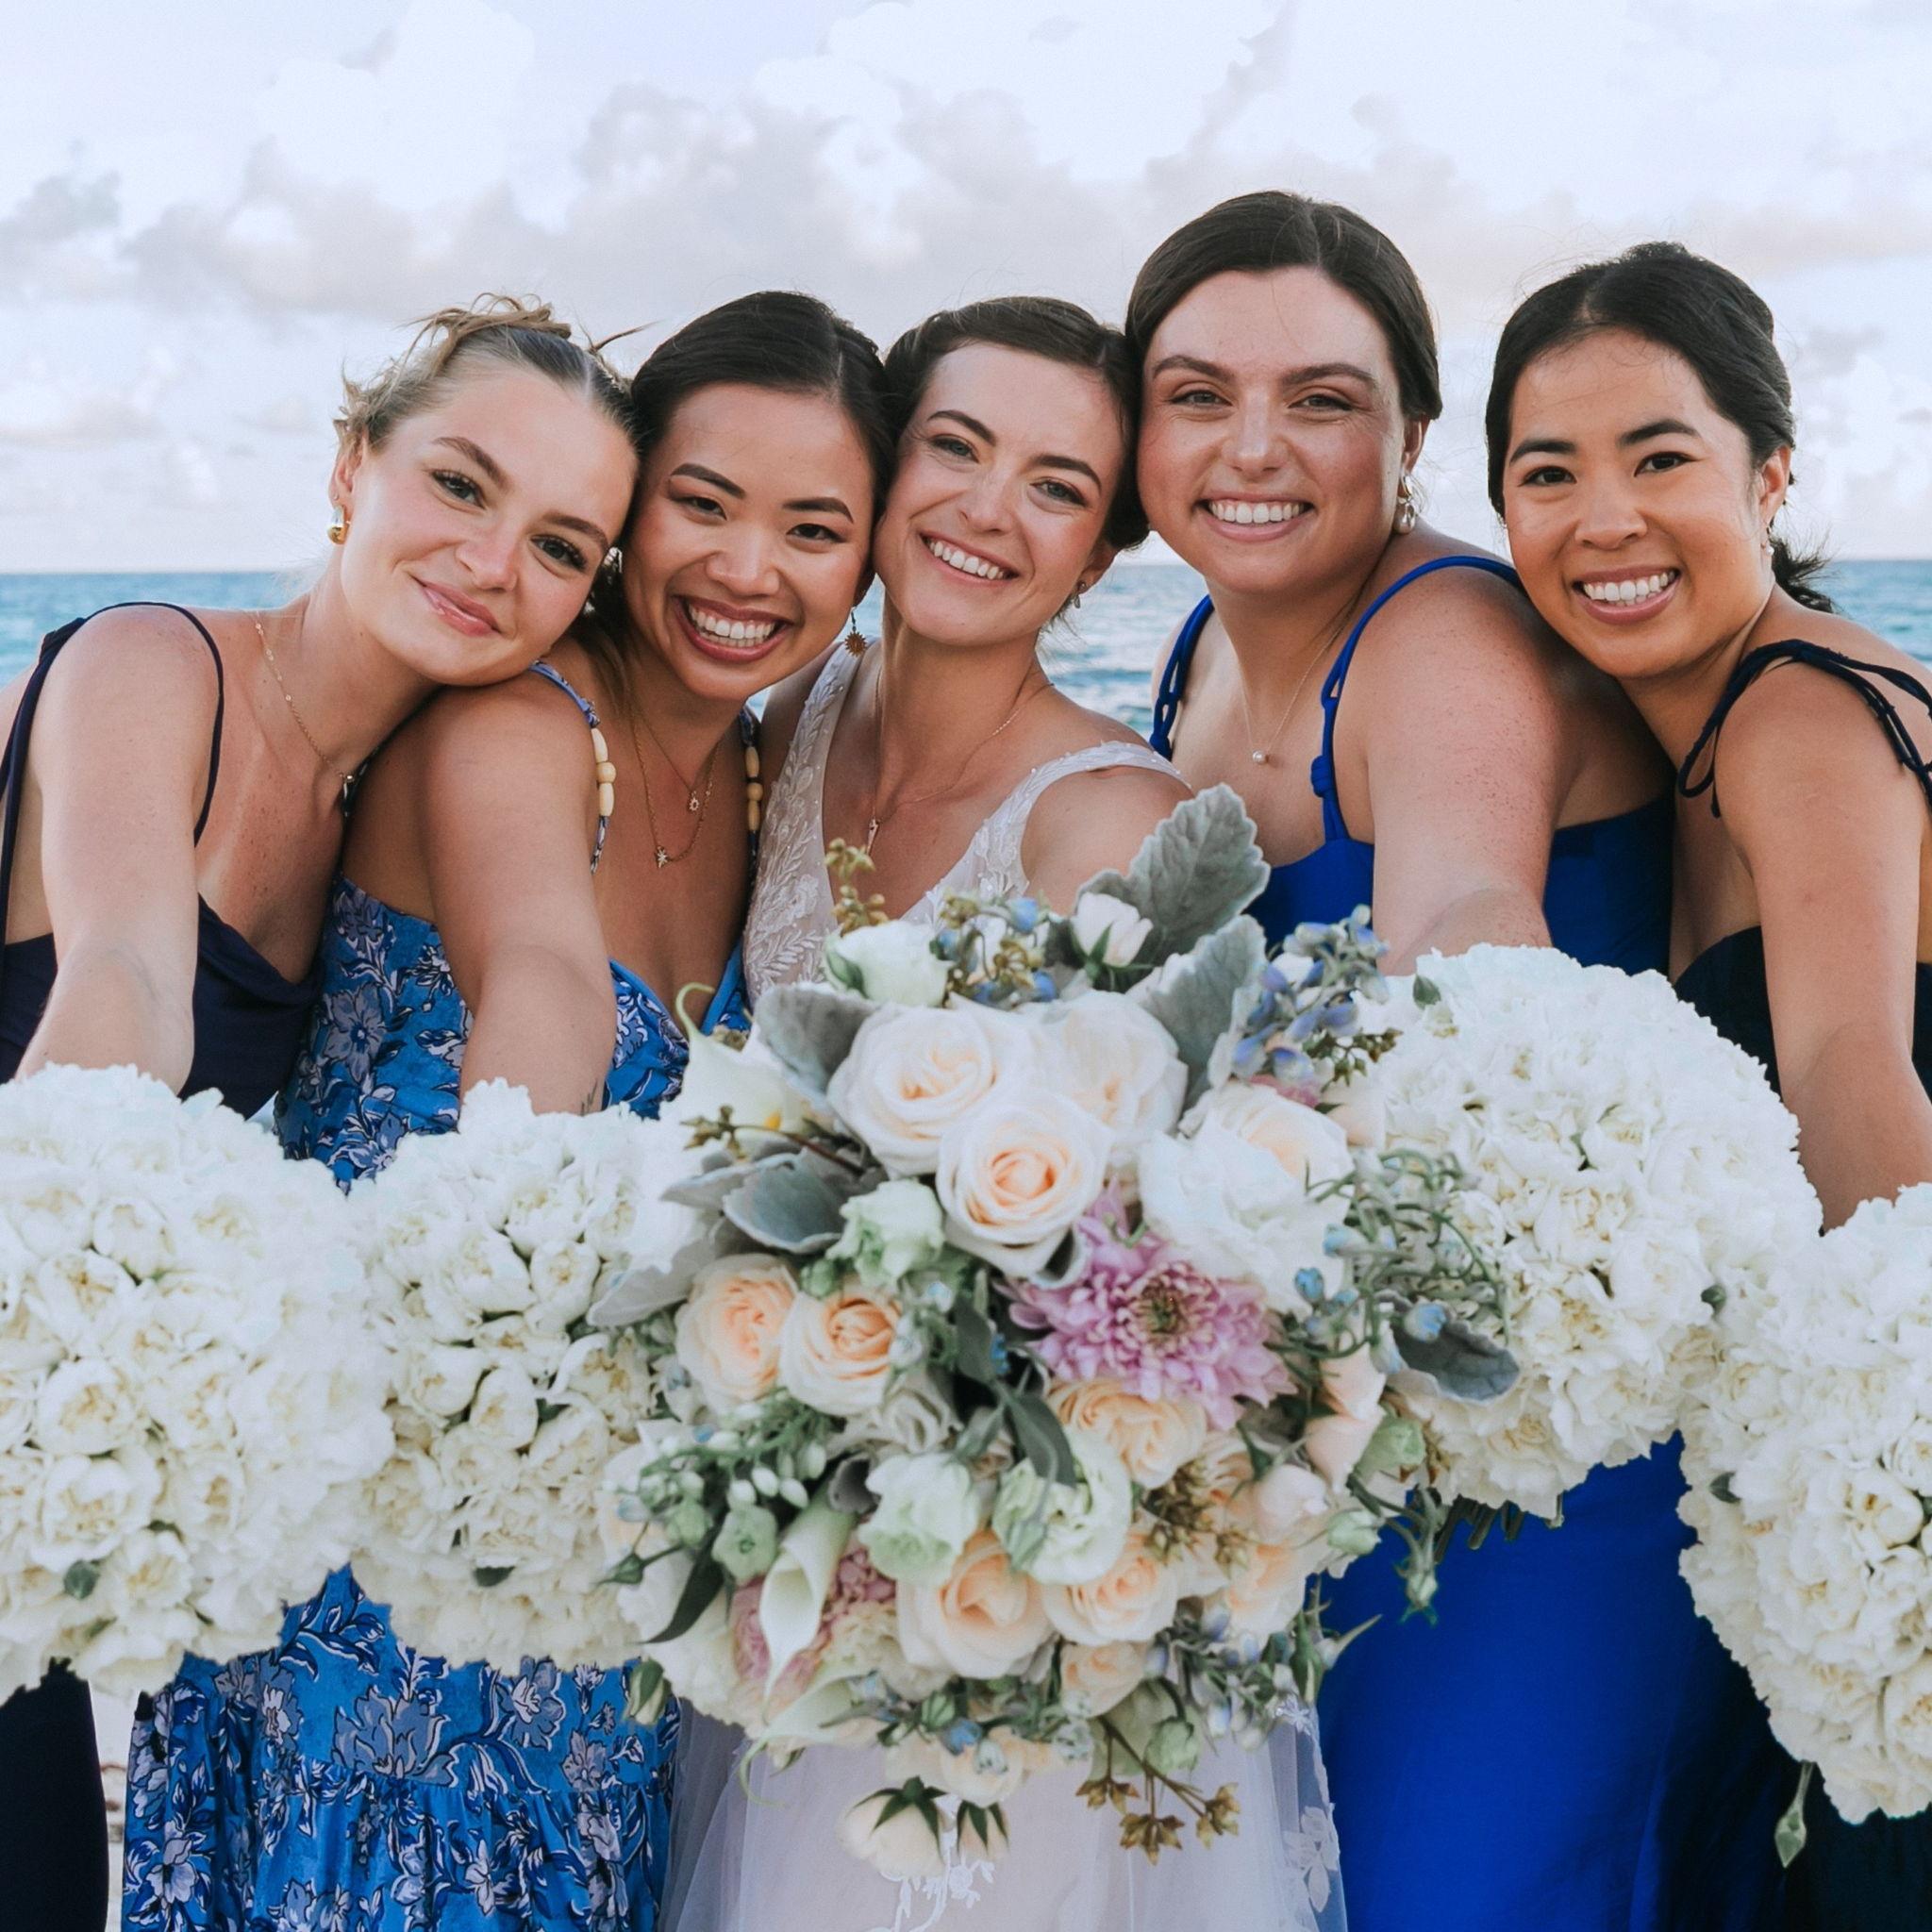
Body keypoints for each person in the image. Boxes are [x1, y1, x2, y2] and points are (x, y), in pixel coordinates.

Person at [120, 291, 891, 1932]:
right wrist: (509, 1305)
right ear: (627, 529)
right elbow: (540, 973)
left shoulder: (775, 779)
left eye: (813, 527)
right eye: (704, 505)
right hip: (400, 1494)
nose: (749, 569)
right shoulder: (513, 722)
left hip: (593, 1550)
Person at [1130, 192, 1762, 1932]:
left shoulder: (1443, 641)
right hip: (1335, 1424)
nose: (1255, 448)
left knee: (1461, 1889)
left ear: (1413, 436)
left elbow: (1465, 927)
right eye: (1196, 394)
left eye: (1323, 401)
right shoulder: (1191, 651)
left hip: (1530, 1460)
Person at [682, 296, 1341, 1932]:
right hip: (786, 1537)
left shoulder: (1109, 821)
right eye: (955, 449)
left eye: (1056, 485)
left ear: (1106, 551)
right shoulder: (791, 720)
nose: (987, 509)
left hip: (990, 1594)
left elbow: (1173, 1292)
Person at [0, 296, 635, 1932]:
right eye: (462, 485)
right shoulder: (149, 665)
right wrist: (58, 1372)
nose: (497, 562)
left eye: (562, 545)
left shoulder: (398, 779)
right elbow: (126, 987)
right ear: (351, 466)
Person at [1490, 238, 1932, 1930]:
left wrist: (1890, 1516)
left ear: (1771, 471)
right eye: (1550, 474)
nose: (1603, 518)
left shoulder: (1798, 713)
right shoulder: (1697, 727)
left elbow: (1848, 1069)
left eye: (1658, 458)